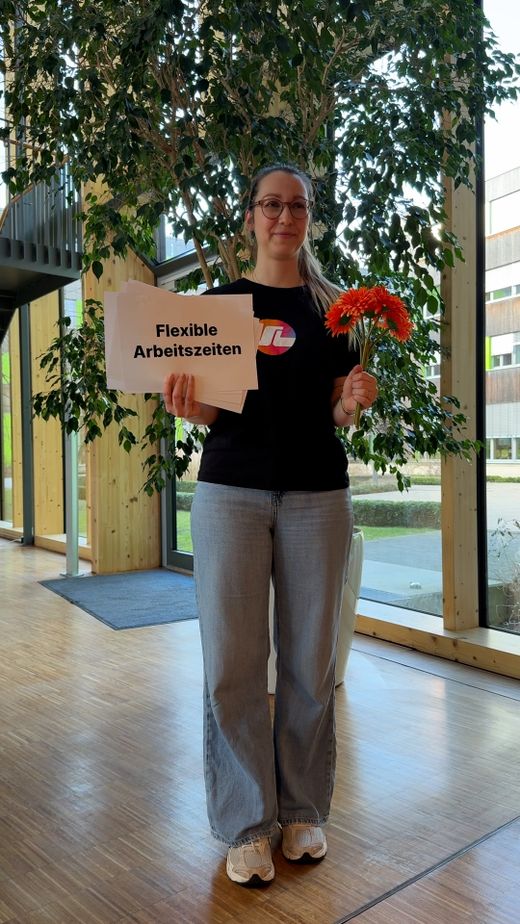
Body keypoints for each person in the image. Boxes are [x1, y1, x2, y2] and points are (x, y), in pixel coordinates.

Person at [163, 164, 378, 886]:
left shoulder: (336, 310)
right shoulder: (219, 307)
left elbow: (337, 412)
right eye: (271, 205)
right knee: (233, 662)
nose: (285, 217)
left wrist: (352, 399)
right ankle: (247, 823)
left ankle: (302, 810)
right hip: (231, 493)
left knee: (310, 663)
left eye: (298, 206)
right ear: (251, 216)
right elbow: (210, 409)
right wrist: (188, 407)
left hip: (318, 496)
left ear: (309, 217)